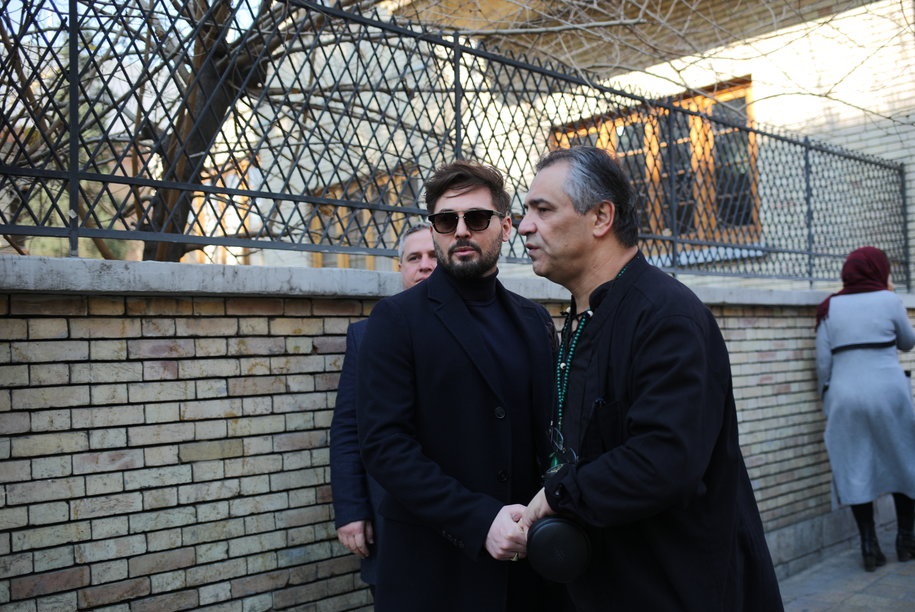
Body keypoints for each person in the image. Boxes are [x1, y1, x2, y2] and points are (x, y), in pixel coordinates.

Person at [516, 145, 783, 611]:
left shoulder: (666, 317)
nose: (524, 226)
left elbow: (665, 460)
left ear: (601, 218)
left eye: (543, 209)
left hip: (676, 587)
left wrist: (557, 496)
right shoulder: (585, 314)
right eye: (526, 211)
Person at [356, 160, 558, 612]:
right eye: (447, 220)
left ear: (506, 226)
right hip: (434, 570)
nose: (461, 230)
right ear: (434, 230)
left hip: (527, 568)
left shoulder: (534, 320)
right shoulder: (396, 320)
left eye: (478, 218)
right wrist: (480, 519)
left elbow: (549, 435)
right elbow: (385, 447)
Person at [329, 222, 437, 590]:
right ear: (401, 267)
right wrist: (351, 509)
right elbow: (348, 426)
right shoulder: (366, 335)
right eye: (414, 257)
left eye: (434, 256)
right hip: (389, 512)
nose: (425, 265)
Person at [814, 246, 915, 571]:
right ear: (878, 270)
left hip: (846, 397)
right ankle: (906, 541)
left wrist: (828, 397)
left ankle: (869, 547)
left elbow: (823, 362)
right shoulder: (888, 300)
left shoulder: (830, 307)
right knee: (904, 462)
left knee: (855, 466)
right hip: (890, 395)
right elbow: (907, 342)